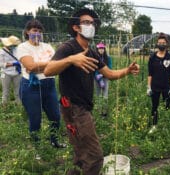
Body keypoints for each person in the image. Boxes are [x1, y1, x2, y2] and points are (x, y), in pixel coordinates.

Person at [43, 8, 139, 175]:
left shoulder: (92, 51)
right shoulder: (68, 47)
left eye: (93, 23)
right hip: (73, 108)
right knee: (95, 157)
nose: (91, 25)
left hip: (82, 108)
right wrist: (72, 59)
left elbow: (109, 74)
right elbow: (48, 70)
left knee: (81, 153)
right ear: (76, 27)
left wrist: (127, 70)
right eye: (86, 22)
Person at [16, 19, 65, 149]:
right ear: (27, 32)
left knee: (55, 116)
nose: (37, 33)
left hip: (49, 85)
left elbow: (57, 64)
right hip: (31, 87)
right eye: (34, 31)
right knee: (35, 119)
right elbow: (30, 66)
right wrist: (48, 65)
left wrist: (37, 67)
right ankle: (37, 147)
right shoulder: (23, 47)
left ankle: (54, 141)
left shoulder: (47, 47)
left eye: (39, 31)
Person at [147, 33, 170, 134]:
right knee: (154, 106)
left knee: (167, 106)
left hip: (166, 87)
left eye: (163, 43)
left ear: (167, 44)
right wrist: (148, 87)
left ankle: (165, 126)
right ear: (157, 44)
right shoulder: (152, 58)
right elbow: (150, 74)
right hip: (155, 86)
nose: (161, 44)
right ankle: (154, 125)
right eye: (160, 43)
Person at [0, 35, 22, 104]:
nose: (14, 46)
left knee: (18, 90)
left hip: (17, 72)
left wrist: (19, 63)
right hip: (6, 73)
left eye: (15, 45)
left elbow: (20, 59)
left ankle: (19, 105)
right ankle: (4, 106)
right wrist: (13, 64)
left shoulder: (16, 49)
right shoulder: (1, 52)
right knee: (5, 91)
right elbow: (1, 64)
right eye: (13, 45)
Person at [94, 42, 112, 117]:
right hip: (97, 79)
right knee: (98, 95)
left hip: (105, 78)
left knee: (105, 95)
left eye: (102, 49)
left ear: (104, 49)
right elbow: (93, 68)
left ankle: (104, 113)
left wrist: (103, 74)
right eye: (99, 49)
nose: (101, 50)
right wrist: (96, 75)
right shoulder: (95, 58)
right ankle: (98, 112)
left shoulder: (108, 58)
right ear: (97, 49)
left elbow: (110, 67)